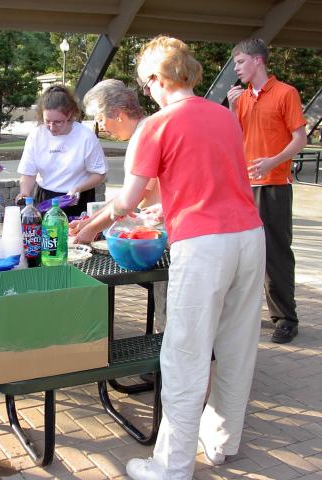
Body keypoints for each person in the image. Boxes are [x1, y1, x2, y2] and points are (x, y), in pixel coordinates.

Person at [73, 36, 265, 479]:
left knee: (184, 356)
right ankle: (222, 443)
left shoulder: (154, 126)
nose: (147, 92)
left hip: (203, 246)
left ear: (158, 77)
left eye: (146, 84)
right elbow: (214, 179)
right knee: (236, 349)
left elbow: (126, 202)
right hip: (249, 237)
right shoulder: (224, 115)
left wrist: (91, 227)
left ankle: (171, 467)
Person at [227, 38, 307, 344]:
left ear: (258, 60)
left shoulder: (286, 93)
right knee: (243, 253)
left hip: (274, 186)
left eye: (240, 62)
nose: (236, 68)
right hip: (243, 188)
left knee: (275, 254)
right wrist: (232, 107)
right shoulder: (242, 98)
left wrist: (273, 161)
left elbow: (299, 139)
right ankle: (246, 315)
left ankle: (286, 319)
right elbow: (234, 139)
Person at [76, 79, 166, 331]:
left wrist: (91, 229)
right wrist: (91, 222)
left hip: (166, 235)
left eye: (100, 119)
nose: (101, 127)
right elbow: (127, 196)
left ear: (117, 113)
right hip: (164, 233)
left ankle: (163, 350)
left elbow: (129, 201)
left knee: (169, 317)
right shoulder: (146, 130)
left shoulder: (144, 136)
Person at [15, 85, 106, 217]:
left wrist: (78, 188)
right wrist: (24, 192)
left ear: (70, 115)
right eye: (47, 121)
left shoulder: (86, 137)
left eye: (58, 122)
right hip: (45, 198)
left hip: (78, 199)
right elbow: (28, 172)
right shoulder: (36, 135)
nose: (52, 127)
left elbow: (99, 174)